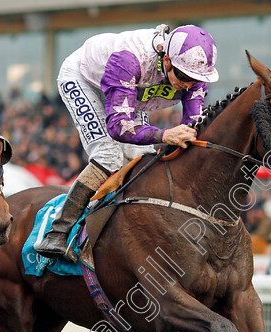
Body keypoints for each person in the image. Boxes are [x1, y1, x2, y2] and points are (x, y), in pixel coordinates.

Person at [35, 24, 219, 262]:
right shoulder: (129, 59)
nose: (187, 85)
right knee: (108, 156)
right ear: (167, 60)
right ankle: (57, 232)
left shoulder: (193, 74)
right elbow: (119, 127)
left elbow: (193, 127)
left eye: (195, 80)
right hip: (85, 79)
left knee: (141, 156)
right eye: (183, 77)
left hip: (132, 88)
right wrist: (165, 135)